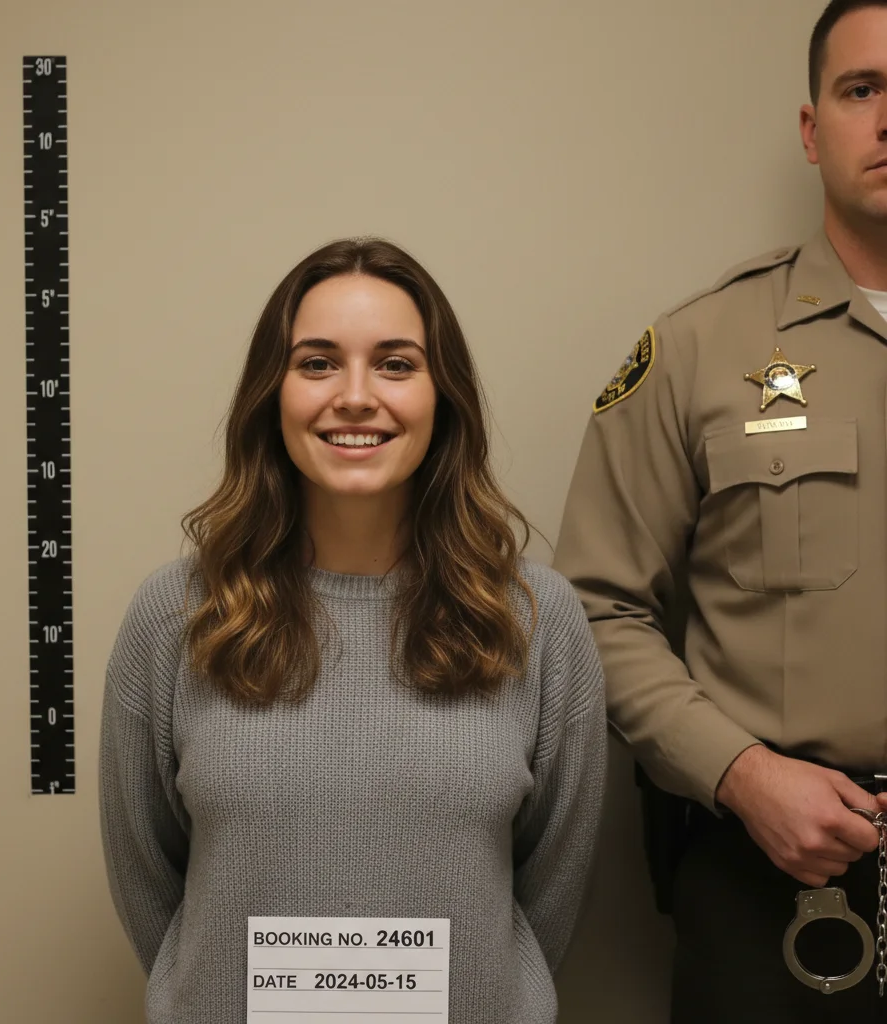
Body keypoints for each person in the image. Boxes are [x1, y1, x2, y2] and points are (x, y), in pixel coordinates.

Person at [99, 237, 606, 1023]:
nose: (357, 396)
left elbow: (554, 881)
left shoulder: (538, 622)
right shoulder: (174, 616)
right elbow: (147, 877)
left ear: (445, 397)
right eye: (318, 363)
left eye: (397, 364)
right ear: (273, 392)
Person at [554, 2, 887, 1020]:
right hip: (783, 884)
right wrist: (739, 773)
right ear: (810, 127)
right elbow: (592, 612)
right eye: (861, 89)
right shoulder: (699, 351)